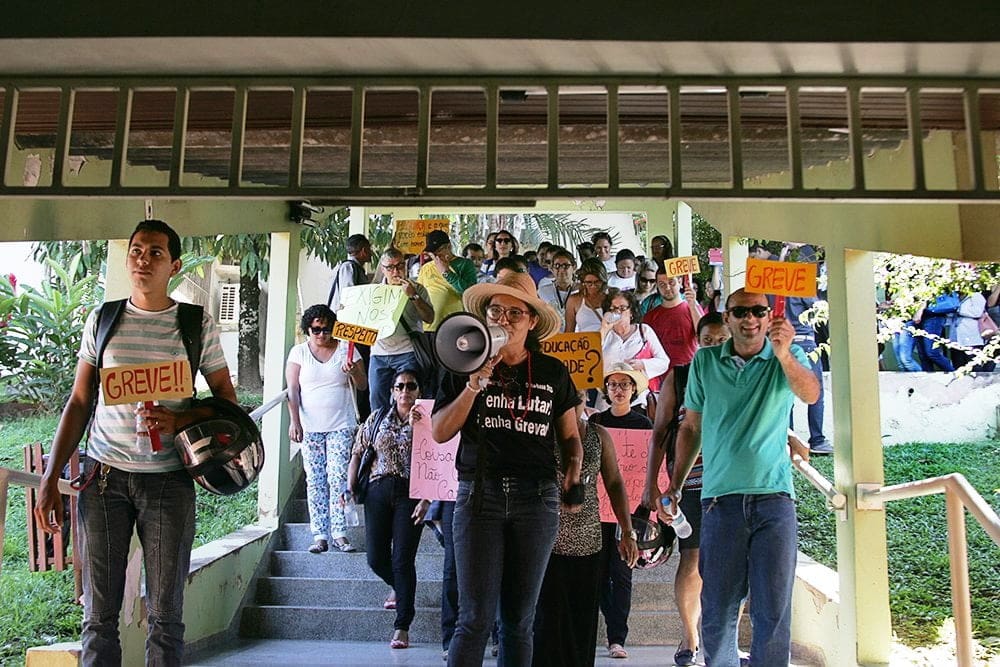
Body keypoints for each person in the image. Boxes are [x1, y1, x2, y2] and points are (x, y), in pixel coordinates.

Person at [34, 219, 237, 666]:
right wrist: (50, 477)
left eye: (156, 253)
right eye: (137, 251)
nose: (144, 260)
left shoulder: (193, 323)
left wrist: (180, 417)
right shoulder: (103, 319)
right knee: (97, 615)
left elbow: (227, 401)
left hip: (168, 483)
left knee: (166, 616)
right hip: (104, 482)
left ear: (174, 265)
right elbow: (80, 400)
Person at [661, 288, 820, 667]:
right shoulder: (705, 362)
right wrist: (676, 485)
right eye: (740, 312)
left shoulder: (787, 356)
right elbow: (691, 428)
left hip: (774, 498)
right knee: (717, 609)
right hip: (719, 500)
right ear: (727, 318)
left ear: (769, 317)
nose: (750, 319)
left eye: (758, 311)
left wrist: (782, 353)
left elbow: (810, 393)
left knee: (773, 609)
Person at [431, 271, 584, 667]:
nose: (503, 319)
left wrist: (573, 473)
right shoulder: (463, 362)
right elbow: (440, 431)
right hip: (478, 497)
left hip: (536, 500)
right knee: (474, 619)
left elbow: (570, 437)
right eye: (495, 310)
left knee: (518, 620)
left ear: (532, 321)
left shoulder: (552, 372)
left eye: (514, 313)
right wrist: (472, 386)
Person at [643, 311, 730, 667]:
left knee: (728, 565)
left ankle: (719, 639)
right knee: (692, 559)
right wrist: (653, 483)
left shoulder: (743, 376)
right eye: (707, 341)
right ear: (697, 342)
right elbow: (661, 432)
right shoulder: (680, 377)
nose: (713, 347)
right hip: (690, 484)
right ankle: (689, 635)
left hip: (731, 483)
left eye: (721, 341)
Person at [532, 400, 638, 667]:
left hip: (588, 541)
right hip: (547, 541)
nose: (574, 401)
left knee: (583, 619)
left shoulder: (599, 435)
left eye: (579, 395)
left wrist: (627, 530)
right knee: (548, 620)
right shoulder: (543, 431)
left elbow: (614, 482)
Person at [345, 369, 431, 649]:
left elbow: (436, 461)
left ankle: (402, 626)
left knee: (402, 560)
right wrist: (350, 486)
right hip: (378, 490)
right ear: (392, 390)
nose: (405, 391)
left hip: (411, 492)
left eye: (411, 386)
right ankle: (400, 587)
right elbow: (359, 451)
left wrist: (427, 498)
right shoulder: (378, 417)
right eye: (400, 386)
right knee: (375, 557)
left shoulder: (428, 420)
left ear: (419, 390)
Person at [286, 304, 366, 554]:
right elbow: (292, 390)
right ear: (308, 329)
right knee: (315, 480)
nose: (322, 334)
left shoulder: (347, 350)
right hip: (310, 426)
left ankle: (340, 532)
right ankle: (319, 534)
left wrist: (353, 372)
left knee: (338, 477)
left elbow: (363, 385)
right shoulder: (298, 352)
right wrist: (294, 421)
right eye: (316, 329)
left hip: (341, 423)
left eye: (327, 329)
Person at [589, 363, 654, 660]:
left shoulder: (644, 425)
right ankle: (606, 629)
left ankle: (618, 637)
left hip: (628, 513)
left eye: (623, 385)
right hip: (595, 509)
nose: (618, 390)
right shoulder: (596, 421)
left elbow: (649, 468)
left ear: (633, 389)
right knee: (598, 573)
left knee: (623, 573)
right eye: (612, 385)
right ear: (606, 390)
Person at [368, 248, 435, 412]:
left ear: (405, 266)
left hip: (407, 352)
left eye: (399, 266)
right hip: (379, 353)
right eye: (390, 267)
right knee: (377, 399)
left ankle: (409, 434)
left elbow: (429, 318)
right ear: (383, 269)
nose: (396, 271)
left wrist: (413, 296)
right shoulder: (372, 292)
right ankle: (379, 434)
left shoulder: (417, 289)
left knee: (408, 398)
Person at [599, 289, 669, 408]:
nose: (618, 312)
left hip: (638, 399)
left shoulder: (644, 331)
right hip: (607, 400)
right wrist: (604, 330)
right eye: (613, 308)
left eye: (622, 308)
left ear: (631, 312)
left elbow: (664, 362)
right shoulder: (604, 334)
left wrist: (642, 364)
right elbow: (591, 362)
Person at [418, 229, 478, 332]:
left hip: (453, 326)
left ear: (448, 247)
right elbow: (420, 294)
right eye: (432, 252)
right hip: (429, 327)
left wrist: (446, 272)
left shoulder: (465, 264)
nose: (436, 255)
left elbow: (469, 293)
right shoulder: (426, 268)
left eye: (439, 250)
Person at [641, 268, 702, 367]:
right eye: (662, 284)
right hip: (661, 375)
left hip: (689, 372)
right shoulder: (650, 317)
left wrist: (692, 306)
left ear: (680, 281)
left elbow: (702, 334)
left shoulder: (693, 308)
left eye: (671, 282)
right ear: (657, 287)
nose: (667, 288)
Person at [565, 258, 609, 333]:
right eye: (589, 282)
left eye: (597, 282)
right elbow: (569, 331)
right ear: (582, 282)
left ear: (603, 280)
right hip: (586, 343)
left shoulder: (613, 297)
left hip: (611, 343)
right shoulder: (574, 300)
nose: (593, 286)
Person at [538, 248, 576, 328]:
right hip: (553, 338)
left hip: (579, 338)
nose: (561, 270)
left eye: (566, 266)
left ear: (574, 267)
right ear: (552, 269)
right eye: (557, 266)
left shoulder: (582, 291)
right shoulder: (542, 292)